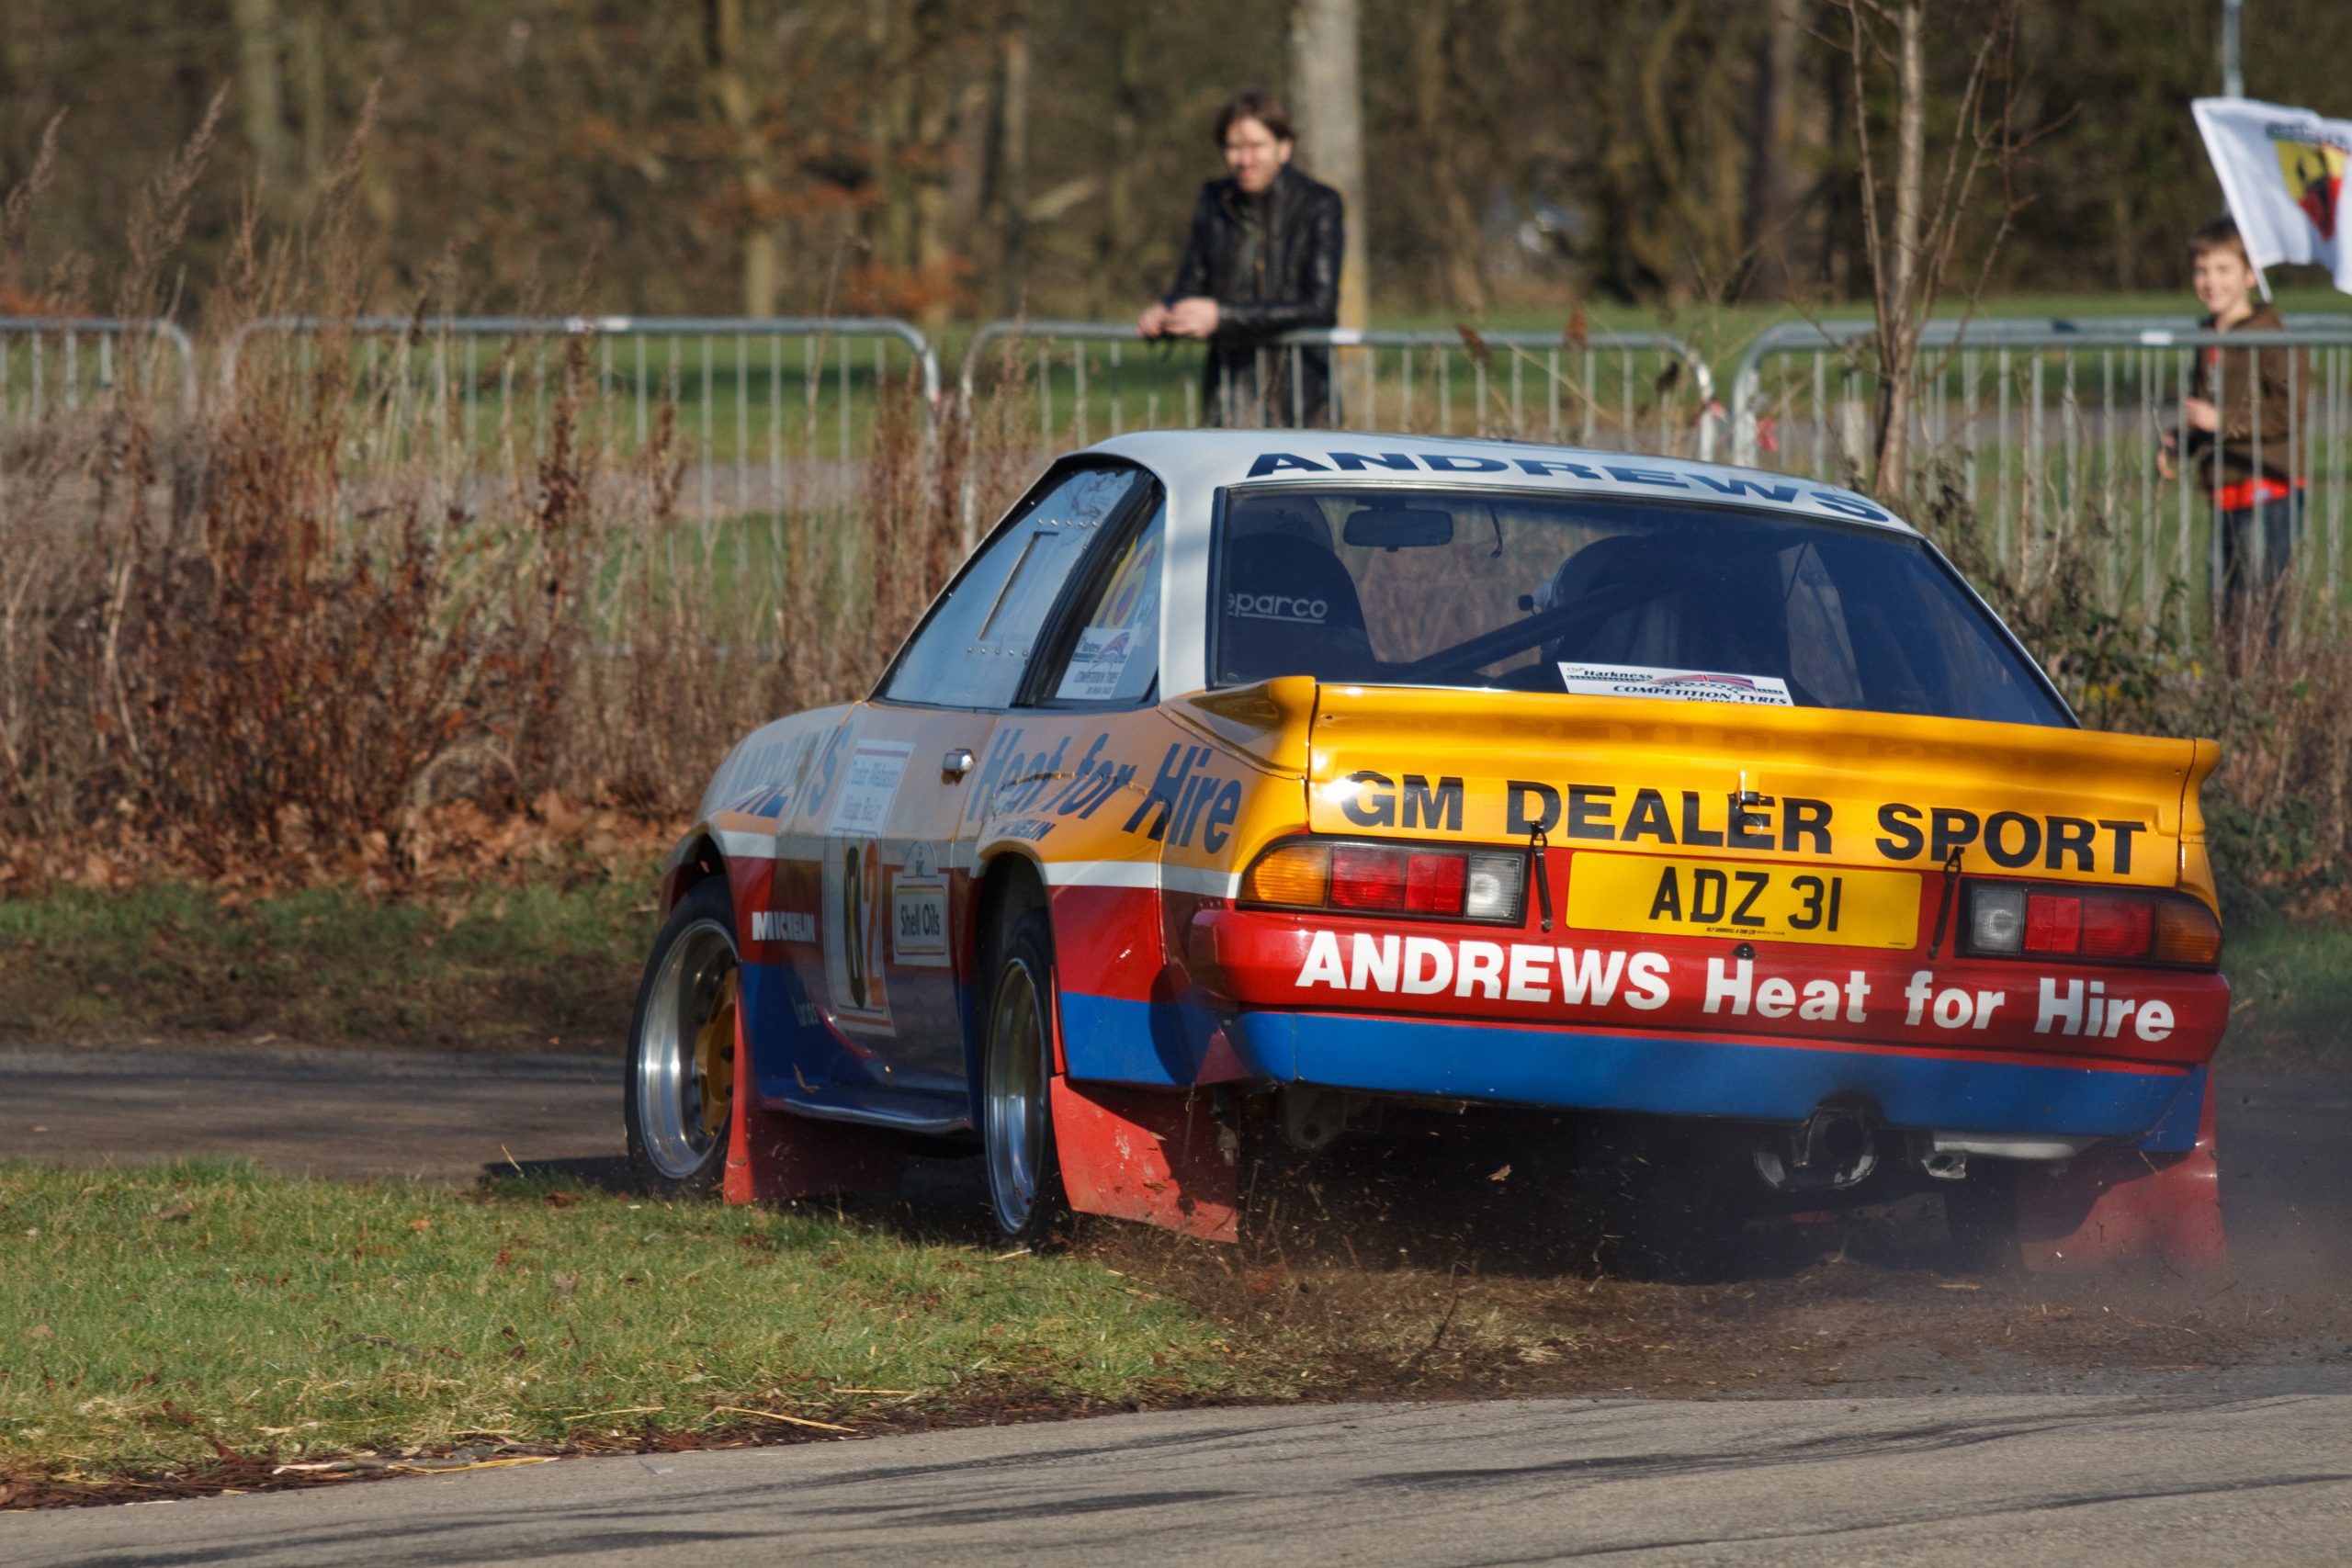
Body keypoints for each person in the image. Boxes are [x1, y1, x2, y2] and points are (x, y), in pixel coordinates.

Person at [1137, 91, 1343, 427]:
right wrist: (1168, 310)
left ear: (1284, 148)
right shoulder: (1213, 200)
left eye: (1256, 145)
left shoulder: (1319, 204)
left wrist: (1223, 317)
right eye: (1234, 147)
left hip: (1300, 393)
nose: (1245, 159)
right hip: (1229, 391)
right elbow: (1191, 284)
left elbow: (1321, 306)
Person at [2160, 218, 2310, 649]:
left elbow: (2286, 411)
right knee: (2223, 602)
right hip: (2223, 488)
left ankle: (2261, 685)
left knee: (2259, 603)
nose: (2211, 281)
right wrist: (2181, 442)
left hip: (2268, 489)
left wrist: (2221, 421)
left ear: (2249, 275)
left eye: (2223, 269)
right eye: (2202, 270)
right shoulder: (2208, 335)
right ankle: (2230, 685)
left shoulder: (2271, 335)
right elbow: (2203, 410)